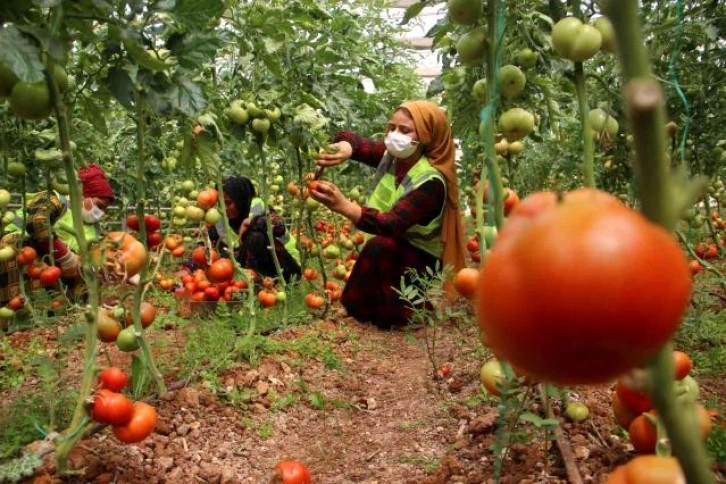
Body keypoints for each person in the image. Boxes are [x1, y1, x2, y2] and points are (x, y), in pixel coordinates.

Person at [313, 100, 466, 328]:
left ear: (426, 136)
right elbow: (358, 144)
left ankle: (410, 315)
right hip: (399, 247)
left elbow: (391, 224)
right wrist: (346, 148)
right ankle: (360, 311)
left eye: (405, 130)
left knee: (381, 247)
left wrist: (345, 206)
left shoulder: (431, 182)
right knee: (379, 248)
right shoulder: (396, 158)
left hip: (423, 261)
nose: (395, 134)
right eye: (392, 127)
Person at [0, 163, 115, 306]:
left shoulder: (93, 229)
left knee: (85, 274)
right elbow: (36, 223)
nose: (100, 213)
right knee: (17, 246)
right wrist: (65, 256)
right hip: (17, 250)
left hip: (50, 266)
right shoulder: (55, 199)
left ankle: (53, 311)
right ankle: (10, 316)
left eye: (104, 209)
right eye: (99, 205)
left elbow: (90, 258)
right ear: (82, 194)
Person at [208, 175, 301, 283]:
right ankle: (255, 283)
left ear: (240, 199)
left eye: (228, 203)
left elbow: (279, 227)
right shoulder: (221, 218)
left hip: (287, 268)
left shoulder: (258, 207)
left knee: (255, 237)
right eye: (221, 203)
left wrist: (252, 221)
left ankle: (260, 282)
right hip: (255, 271)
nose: (224, 208)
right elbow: (210, 249)